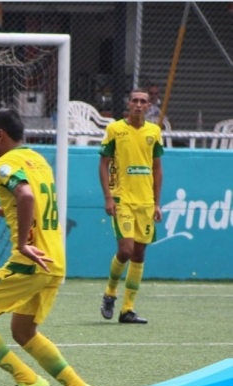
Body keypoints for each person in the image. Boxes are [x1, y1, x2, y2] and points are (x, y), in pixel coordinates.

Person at [0, 109, 102, 386]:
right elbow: (32, 200)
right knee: (23, 331)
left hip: (31, 260)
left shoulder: (4, 163)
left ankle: (27, 381)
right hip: (54, 260)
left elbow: (25, 196)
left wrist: (23, 244)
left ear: (0, 135)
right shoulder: (37, 160)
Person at [99, 88, 164, 324]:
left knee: (139, 253)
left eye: (142, 101)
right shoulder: (115, 130)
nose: (138, 104)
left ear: (149, 106)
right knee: (126, 250)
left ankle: (127, 309)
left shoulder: (154, 132)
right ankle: (110, 293)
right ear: (128, 104)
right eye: (134, 100)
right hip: (122, 199)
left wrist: (157, 203)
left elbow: (157, 168)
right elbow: (103, 164)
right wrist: (108, 197)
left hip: (145, 202)